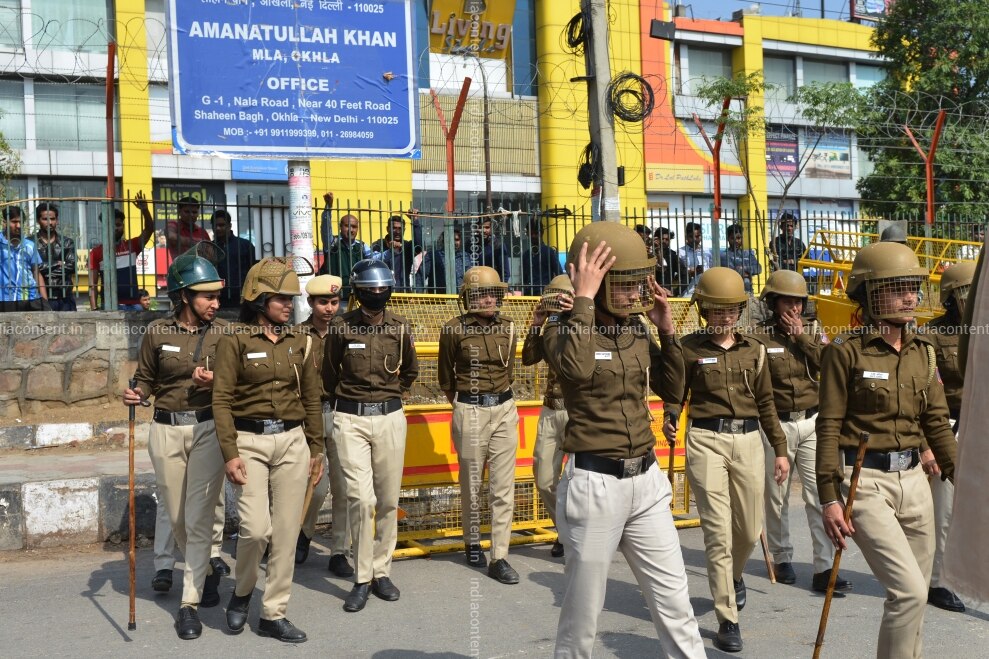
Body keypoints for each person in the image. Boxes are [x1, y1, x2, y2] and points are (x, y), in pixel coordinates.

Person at [542, 222, 705, 658]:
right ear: (597, 282)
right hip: (594, 484)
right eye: (627, 284)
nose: (637, 294)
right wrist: (581, 301)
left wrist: (667, 331)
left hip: (646, 483)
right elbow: (574, 371)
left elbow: (672, 389)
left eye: (638, 283)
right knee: (583, 618)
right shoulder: (560, 327)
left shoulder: (635, 329)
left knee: (675, 604)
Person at [817, 241, 957, 659]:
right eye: (897, 288)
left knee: (911, 603)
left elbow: (935, 421)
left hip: (915, 481)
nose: (910, 297)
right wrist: (829, 497)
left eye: (912, 287)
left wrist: (963, 476)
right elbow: (829, 425)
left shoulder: (923, 352)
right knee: (911, 592)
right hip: (866, 483)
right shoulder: (844, 352)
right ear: (869, 294)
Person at [663, 267, 789, 653]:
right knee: (717, 531)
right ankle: (726, 618)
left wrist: (780, 450)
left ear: (739, 311)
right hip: (705, 439)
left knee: (750, 530)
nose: (724, 317)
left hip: (750, 440)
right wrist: (669, 419)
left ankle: (733, 576)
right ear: (704, 310)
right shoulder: (689, 348)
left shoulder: (756, 350)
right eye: (716, 310)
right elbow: (675, 393)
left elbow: (767, 403)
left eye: (730, 310)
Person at [212, 257, 325, 644]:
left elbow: (312, 398)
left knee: (287, 532)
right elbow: (222, 400)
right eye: (281, 299)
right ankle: (242, 592)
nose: (290, 306)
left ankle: (274, 613)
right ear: (259, 298)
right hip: (249, 443)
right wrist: (230, 452)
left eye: (292, 300)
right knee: (256, 530)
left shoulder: (301, 341)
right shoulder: (235, 340)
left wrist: (316, 448)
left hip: (293, 441)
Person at [123, 251, 229, 639]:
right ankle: (203, 570)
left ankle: (190, 602)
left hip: (207, 430)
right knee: (179, 515)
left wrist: (215, 380)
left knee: (200, 513)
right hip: (165, 429)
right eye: (207, 296)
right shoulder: (157, 331)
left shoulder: (225, 333)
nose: (215, 303)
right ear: (184, 295)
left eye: (218, 295)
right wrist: (136, 393)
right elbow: (145, 378)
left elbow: (237, 382)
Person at [323, 260, 418, 612]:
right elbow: (329, 373)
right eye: (369, 290)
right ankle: (362, 577)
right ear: (357, 292)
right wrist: (348, 403)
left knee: (388, 500)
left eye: (381, 289)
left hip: (390, 417)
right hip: (350, 419)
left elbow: (409, 370)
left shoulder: (400, 326)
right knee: (361, 500)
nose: (375, 295)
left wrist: (391, 396)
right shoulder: (339, 327)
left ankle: (382, 571)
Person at [752, 270, 851, 596]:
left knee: (819, 494)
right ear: (772, 302)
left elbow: (830, 363)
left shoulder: (814, 330)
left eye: (798, 301)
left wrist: (801, 337)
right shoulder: (760, 336)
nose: (793, 308)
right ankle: (782, 557)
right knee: (776, 496)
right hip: (776, 425)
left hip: (812, 422)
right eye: (786, 301)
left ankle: (823, 568)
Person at [438, 265, 520, 585]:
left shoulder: (510, 328)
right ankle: (472, 541)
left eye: (493, 293)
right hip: (469, 409)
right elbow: (446, 379)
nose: (488, 300)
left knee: (503, 487)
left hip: (504, 408)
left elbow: (509, 372)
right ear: (467, 297)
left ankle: (500, 556)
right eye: (481, 294)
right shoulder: (452, 329)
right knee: (472, 482)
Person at [917, 260, 975, 614]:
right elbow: (923, 394)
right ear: (952, 297)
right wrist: (927, 445)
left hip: (979, 426)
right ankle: (937, 581)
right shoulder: (931, 336)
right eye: (968, 293)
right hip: (948, 428)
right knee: (945, 513)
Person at [295, 275, 355, 579]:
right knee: (315, 486)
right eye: (323, 302)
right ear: (310, 303)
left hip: (343, 411)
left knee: (344, 486)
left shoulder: (347, 332)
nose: (329, 308)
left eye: (334, 302)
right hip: (311, 413)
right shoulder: (297, 335)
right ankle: (304, 533)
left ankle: (339, 551)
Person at [520, 274, 573, 559]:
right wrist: (536, 325)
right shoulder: (550, 326)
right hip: (552, 408)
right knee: (544, 478)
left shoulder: (588, 326)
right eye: (555, 299)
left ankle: (573, 535)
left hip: (581, 411)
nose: (559, 304)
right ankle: (564, 531)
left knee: (578, 480)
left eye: (564, 299)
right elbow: (529, 359)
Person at [89, 193, 155, 310]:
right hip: (110, 306)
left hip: (134, 304)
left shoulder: (132, 245)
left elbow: (150, 229)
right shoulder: (96, 252)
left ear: (123, 226)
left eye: (118, 224)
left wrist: (145, 210)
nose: (115, 228)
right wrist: (94, 309)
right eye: (111, 225)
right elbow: (92, 285)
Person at [0, 206, 48, 311]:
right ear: (5, 222)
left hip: (30, 298)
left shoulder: (29, 245)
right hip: (5, 299)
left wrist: (44, 300)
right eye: (14, 221)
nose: (18, 226)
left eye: (21, 222)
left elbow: (36, 272)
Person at [319, 205, 372, 301]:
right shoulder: (332, 243)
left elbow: (375, 258)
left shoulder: (361, 246)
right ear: (340, 227)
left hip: (357, 297)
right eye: (347, 226)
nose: (351, 230)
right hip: (334, 297)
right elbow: (325, 229)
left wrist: (392, 250)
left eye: (354, 227)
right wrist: (328, 208)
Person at [34, 202, 77, 311]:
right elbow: (32, 269)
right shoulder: (30, 243)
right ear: (38, 220)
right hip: (40, 298)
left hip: (65, 298)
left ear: (57, 220)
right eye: (45, 219)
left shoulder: (67, 242)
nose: (50, 222)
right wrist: (58, 264)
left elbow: (71, 267)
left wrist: (43, 270)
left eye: (53, 219)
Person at [211, 209, 257, 308]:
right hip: (217, 298)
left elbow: (255, 270)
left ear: (229, 226)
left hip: (242, 297)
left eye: (222, 225)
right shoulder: (209, 248)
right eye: (215, 225)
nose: (218, 228)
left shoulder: (245, 245)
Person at [519, 216, 563, 296]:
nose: (533, 236)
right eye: (531, 233)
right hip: (529, 295)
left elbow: (559, 274)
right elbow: (524, 278)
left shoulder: (549, 252)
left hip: (546, 294)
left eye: (536, 233)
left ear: (541, 233)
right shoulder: (526, 255)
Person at [416, 228, 468, 294]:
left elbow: (471, 277)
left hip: (461, 299)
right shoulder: (433, 256)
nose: (454, 242)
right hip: (438, 300)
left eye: (456, 240)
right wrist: (418, 295)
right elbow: (420, 276)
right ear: (444, 241)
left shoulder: (465, 256)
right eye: (450, 239)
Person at [166, 196, 211, 263]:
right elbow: (171, 237)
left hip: (201, 270)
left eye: (194, 212)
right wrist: (198, 244)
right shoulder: (173, 225)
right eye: (187, 212)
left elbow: (211, 253)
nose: (191, 215)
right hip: (180, 271)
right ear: (179, 211)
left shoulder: (202, 232)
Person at [720, 224, 763, 294]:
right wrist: (748, 273)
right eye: (732, 238)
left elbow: (758, 268)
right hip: (731, 291)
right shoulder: (724, 255)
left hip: (748, 292)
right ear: (728, 239)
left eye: (738, 238)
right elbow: (732, 272)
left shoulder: (747, 253)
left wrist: (745, 268)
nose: (736, 241)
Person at [654, 227, 688, 297]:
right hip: (649, 293)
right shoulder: (649, 252)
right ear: (656, 239)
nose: (664, 241)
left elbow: (685, 275)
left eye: (667, 239)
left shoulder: (672, 256)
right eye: (662, 239)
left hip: (665, 294)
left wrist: (675, 292)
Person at [677, 221, 711, 287]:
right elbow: (678, 273)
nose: (695, 239)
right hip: (688, 288)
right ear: (686, 237)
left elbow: (712, 268)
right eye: (691, 236)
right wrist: (690, 272)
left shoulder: (707, 251)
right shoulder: (680, 252)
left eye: (697, 236)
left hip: (706, 286)